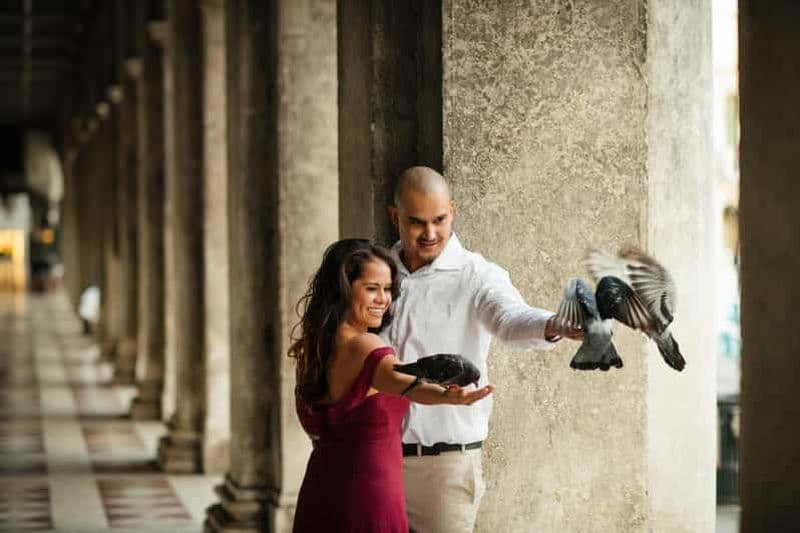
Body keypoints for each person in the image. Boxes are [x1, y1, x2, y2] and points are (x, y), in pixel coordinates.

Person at [384, 166, 582, 533]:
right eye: (416, 222)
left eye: (439, 220)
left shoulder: (477, 275)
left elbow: (509, 318)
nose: (430, 233)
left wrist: (553, 324)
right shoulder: (377, 270)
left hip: (441, 470)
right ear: (395, 217)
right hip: (375, 459)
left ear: (452, 212)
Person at [289, 239, 494, 533]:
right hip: (368, 496)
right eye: (372, 288)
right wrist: (450, 396)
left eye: (387, 289)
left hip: (321, 488)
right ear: (343, 288)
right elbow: (400, 380)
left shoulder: (315, 347)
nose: (383, 300)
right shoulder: (366, 345)